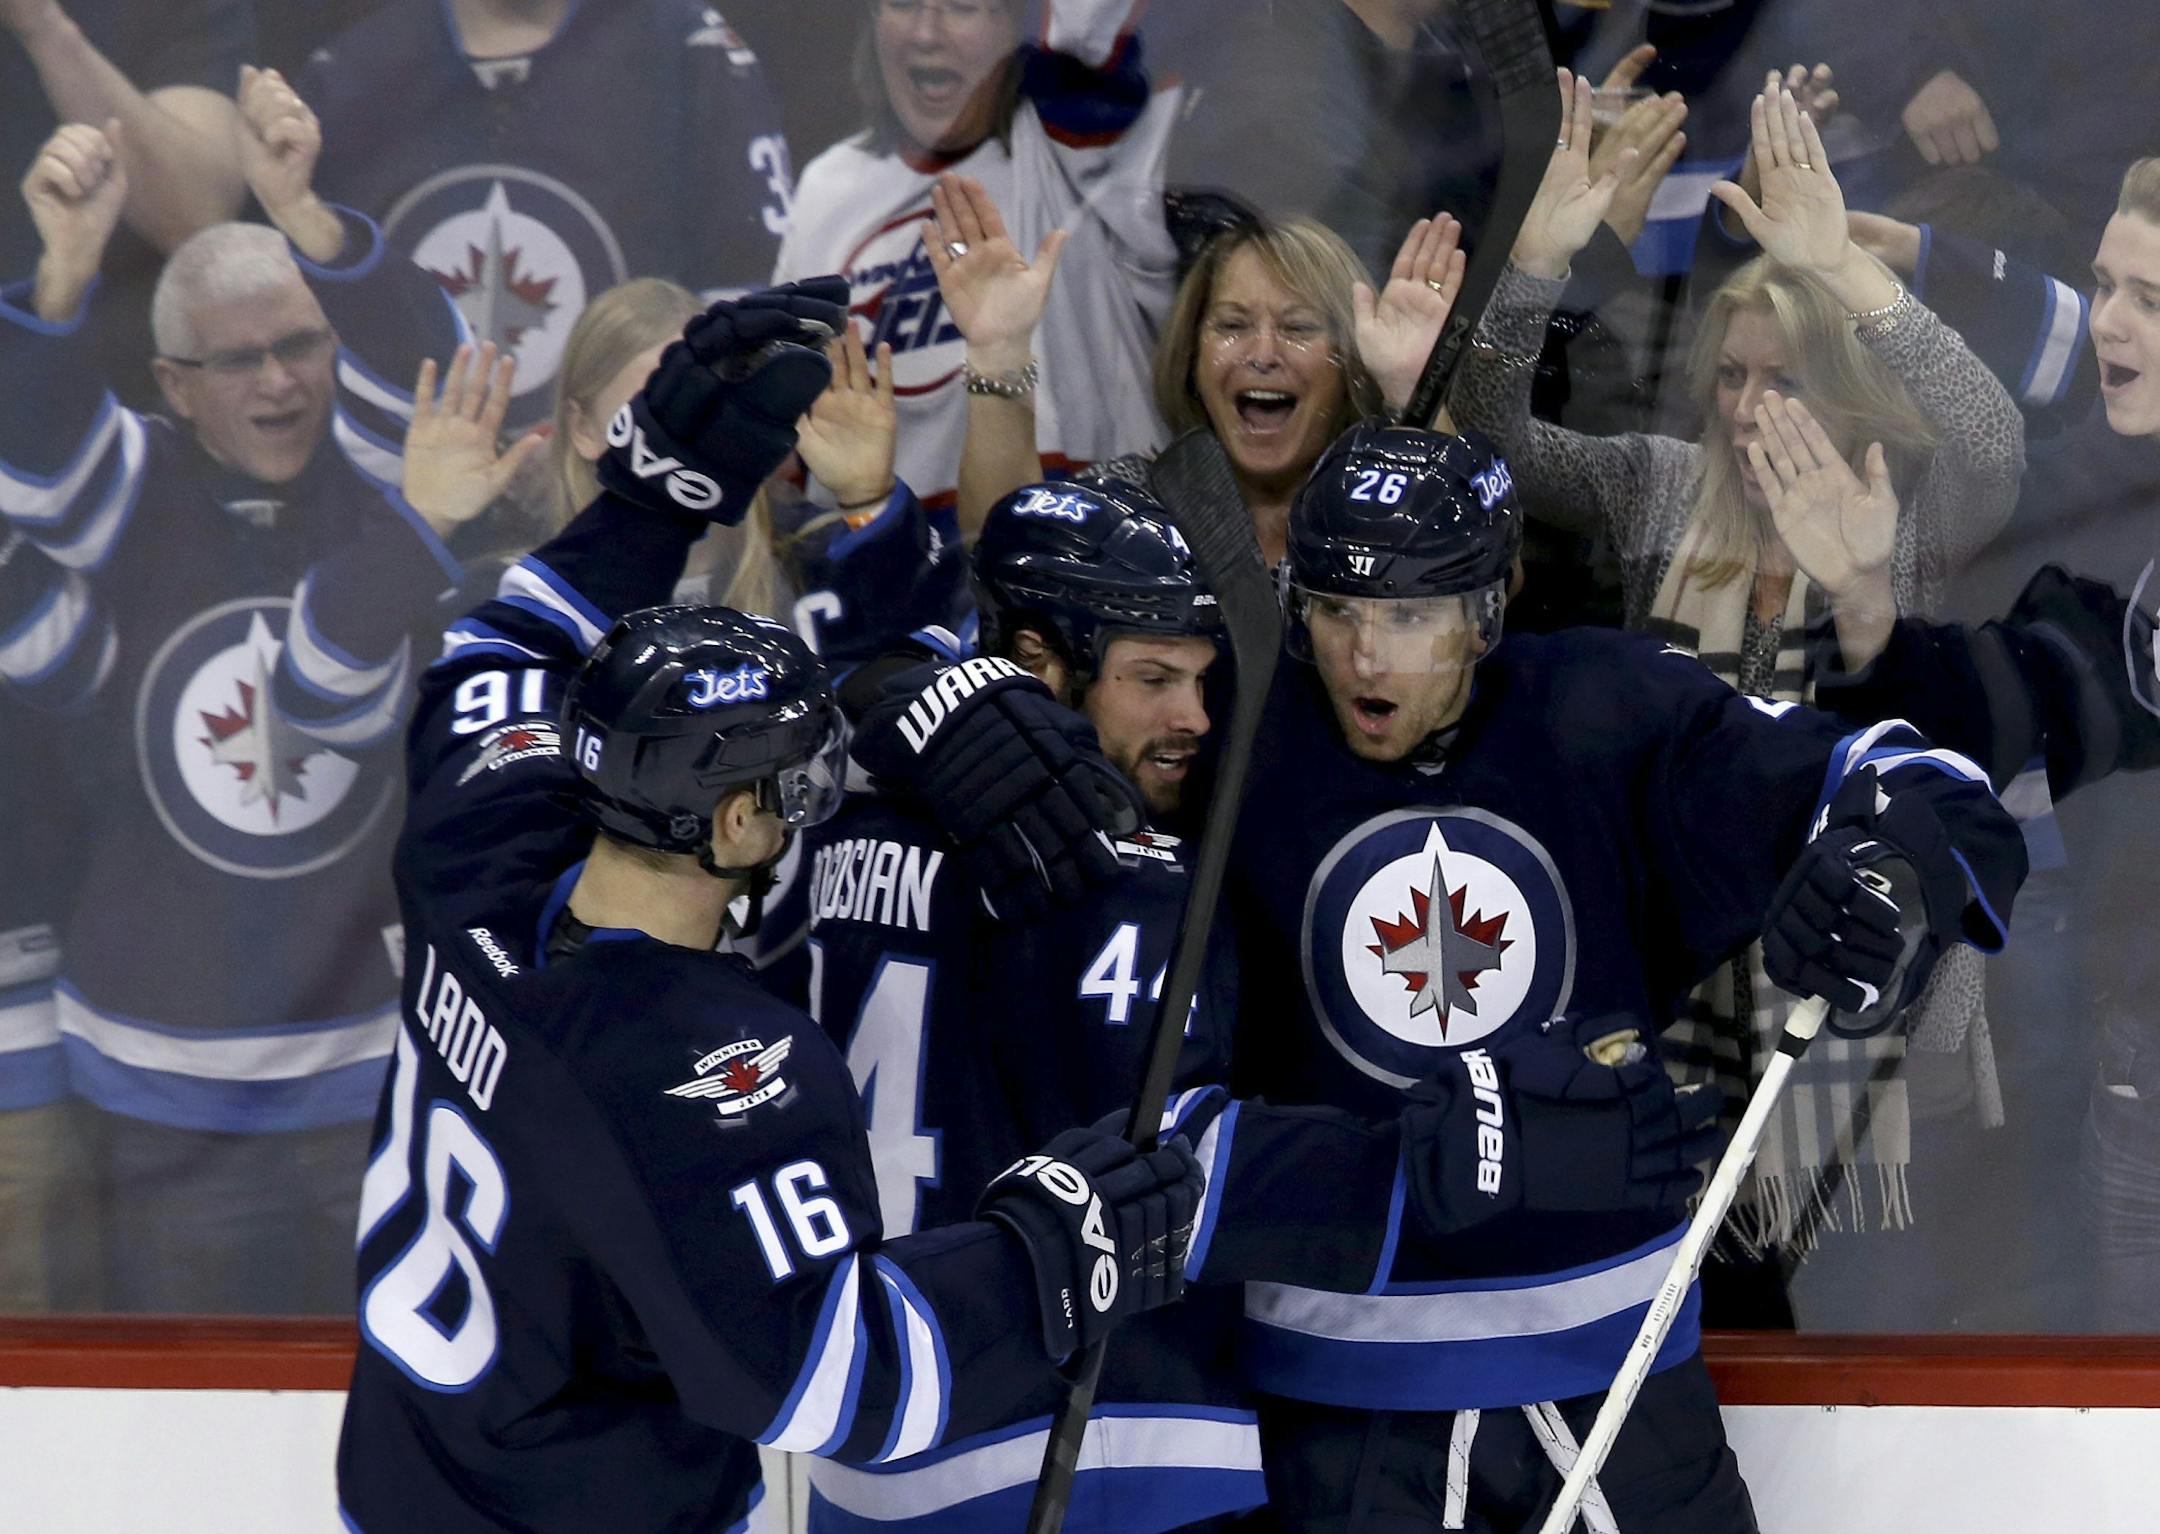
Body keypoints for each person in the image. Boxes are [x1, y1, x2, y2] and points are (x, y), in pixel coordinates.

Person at [857, 418, 2028, 1529]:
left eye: (1410, 615)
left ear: (1487, 606)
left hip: (1618, 1380)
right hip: (1340, 1416)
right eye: (1336, 609)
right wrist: (923, 702)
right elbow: (952, 664)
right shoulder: (1230, 732)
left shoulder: (1606, 710)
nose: (1365, 653)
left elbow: (1920, 780)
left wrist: (1896, 872)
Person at [334, 280, 1205, 1532]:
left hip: (397, 1484)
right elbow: (839, 1382)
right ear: (735, 824)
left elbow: (505, 646)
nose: (812, 799)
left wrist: (659, 489)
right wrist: (1047, 1254)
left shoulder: (480, 842)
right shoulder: (718, 1066)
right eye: (792, 780)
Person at [800, 476, 1723, 1531]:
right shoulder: (1113, 874)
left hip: (873, 1450)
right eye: (1153, 677)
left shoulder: (845, 832)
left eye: (1201, 679)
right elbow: (1164, 1160)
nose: (1195, 719)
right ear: (1032, 665)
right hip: (1103, 1444)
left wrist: (906, 684)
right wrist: (1448, 1160)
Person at [1452, 74, 2027, 1287]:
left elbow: (1995, 440)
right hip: (1665, 1015)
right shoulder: (1660, 482)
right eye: (1732, 377)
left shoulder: (1903, 512)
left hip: (1863, 1031)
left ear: (1842, 388)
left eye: (1784, 377)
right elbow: (1494, 437)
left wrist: (1856, 277)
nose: (1752, 407)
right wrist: (1540, 260)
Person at [0, 73, 529, 1312]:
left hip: (375, 1078)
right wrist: (68, 272)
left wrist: (313, 220)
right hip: (160, 1086)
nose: (280, 382)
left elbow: (427, 379)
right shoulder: (132, 482)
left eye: (301, 346)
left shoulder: (380, 477)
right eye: (238, 361)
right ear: (177, 384)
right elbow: (28, 475)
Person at [302, 0, 793, 428]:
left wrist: (635, 431)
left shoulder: (686, 46)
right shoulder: (349, 76)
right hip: (425, 497)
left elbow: (752, 292)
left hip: (641, 489)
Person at [774, 0, 1182, 513]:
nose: (926, 33)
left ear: (1019, 25)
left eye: (962, 7)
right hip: (878, 565)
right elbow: (781, 442)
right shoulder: (827, 186)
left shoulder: (1077, 147)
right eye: (902, 5)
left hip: (1084, 553)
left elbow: (1094, 20)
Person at [934, 170, 1464, 560]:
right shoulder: (1137, 505)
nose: (1261, 355)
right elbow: (1008, 552)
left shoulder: (1390, 504)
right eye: (1231, 326)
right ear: (1192, 357)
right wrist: (999, 351)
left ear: (1351, 360)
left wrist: (1413, 392)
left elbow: (1485, 574)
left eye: (1298, 328)